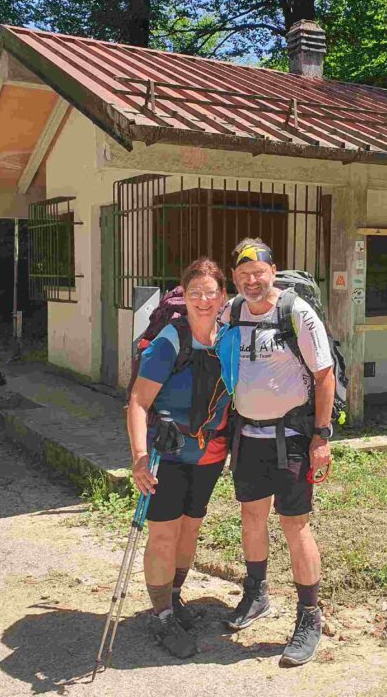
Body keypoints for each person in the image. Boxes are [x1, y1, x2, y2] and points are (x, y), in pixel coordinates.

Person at [220, 238, 335, 667]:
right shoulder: (231, 311)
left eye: (259, 273)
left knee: (294, 523)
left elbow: (324, 375)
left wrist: (321, 437)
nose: (252, 281)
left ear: (273, 272)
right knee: (252, 515)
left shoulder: (295, 312)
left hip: (292, 437)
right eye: (243, 274)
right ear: (235, 278)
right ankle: (257, 594)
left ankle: (309, 616)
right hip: (247, 435)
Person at [126, 258, 231, 659]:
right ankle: (162, 615)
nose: (203, 301)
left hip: (210, 453)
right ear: (184, 297)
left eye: (210, 293)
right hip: (166, 455)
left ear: (223, 296)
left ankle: (174, 596)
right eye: (195, 293)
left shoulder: (228, 339)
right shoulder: (171, 341)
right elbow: (138, 402)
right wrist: (139, 456)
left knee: (190, 529)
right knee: (164, 533)